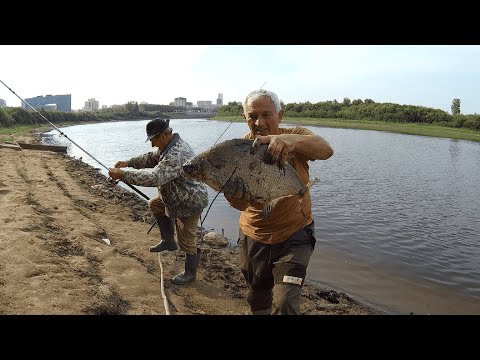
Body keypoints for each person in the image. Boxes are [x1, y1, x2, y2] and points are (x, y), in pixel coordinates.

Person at [224, 89, 334, 315]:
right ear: (245, 118)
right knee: (257, 297)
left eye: (267, 114)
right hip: (253, 235)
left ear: (280, 116)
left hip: (295, 235)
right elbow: (239, 205)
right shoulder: (240, 150)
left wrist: (287, 141)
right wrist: (230, 192)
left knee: (285, 304)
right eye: (252, 116)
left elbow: (326, 150)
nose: (259, 122)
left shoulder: (297, 134)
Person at [108, 118, 209, 285]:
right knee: (155, 204)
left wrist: (123, 175)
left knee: (187, 239)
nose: (152, 144)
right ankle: (168, 241)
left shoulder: (176, 153)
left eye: (153, 140)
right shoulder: (166, 147)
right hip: (174, 198)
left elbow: (155, 177)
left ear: (163, 135)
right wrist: (129, 163)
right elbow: (150, 158)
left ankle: (190, 274)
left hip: (189, 201)